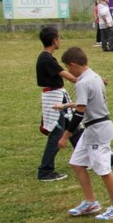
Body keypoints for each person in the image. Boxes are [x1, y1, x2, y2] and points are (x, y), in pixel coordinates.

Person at [54, 47, 113, 220]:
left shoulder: (82, 83)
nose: (68, 71)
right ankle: (90, 201)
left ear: (73, 65)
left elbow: (80, 113)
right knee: (77, 163)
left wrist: (65, 136)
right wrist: (65, 106)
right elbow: (86, 102)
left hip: (97, 130)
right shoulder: (94, 76)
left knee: (103, 170)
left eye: (67, 67)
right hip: (93, 129)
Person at [37, 26, 79, 181]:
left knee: (73, 127)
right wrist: (93, 80)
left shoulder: (47, 58)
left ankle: (84, 158)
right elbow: (71, 77)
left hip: (58, 95)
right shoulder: (46, 59)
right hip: (54, 97)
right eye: (59, 38)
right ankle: (45, 171)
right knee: (57, 133)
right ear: (54, 40)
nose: (59, 40)